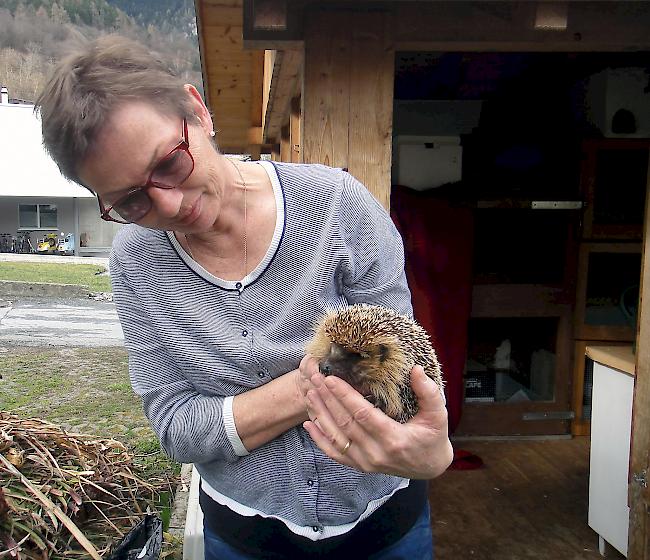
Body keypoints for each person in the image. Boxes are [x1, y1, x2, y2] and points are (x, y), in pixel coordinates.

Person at [36, 35, 453, 559]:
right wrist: (324, 378)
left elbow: (400, 372)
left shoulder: (339, 207)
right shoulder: (135, 262)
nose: (168, 203)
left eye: (168, 163)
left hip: (383, 524)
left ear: (198, 110)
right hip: (244, 536)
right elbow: (177, 429)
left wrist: (243, 412)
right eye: (132, 200)